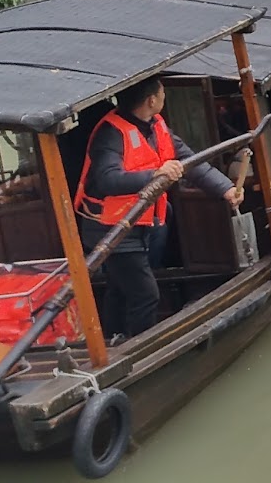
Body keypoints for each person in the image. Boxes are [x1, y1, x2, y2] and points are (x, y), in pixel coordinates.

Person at [74, 77, 244, 336]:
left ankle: (113, 338)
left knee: (121, 287)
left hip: (144, 222)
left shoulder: (156, 126)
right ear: (151, 100)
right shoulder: (110, 133)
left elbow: (191, 162)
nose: (165, 96)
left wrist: (226, 189)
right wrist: (155, 174)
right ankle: (136, 347)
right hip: (112, 229)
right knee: (146, 295)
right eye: (163, 92)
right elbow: (107, 179)